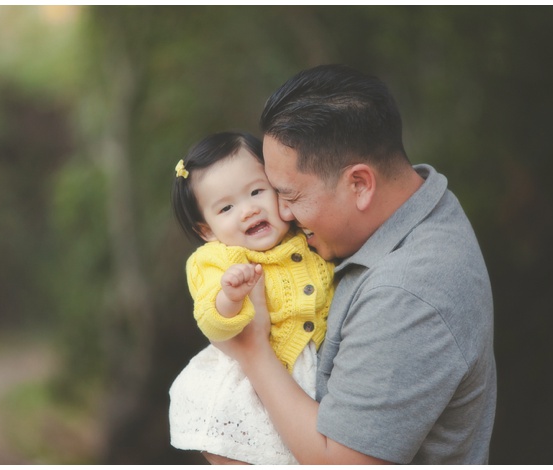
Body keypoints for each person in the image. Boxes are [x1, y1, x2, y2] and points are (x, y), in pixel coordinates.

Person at [211, 64, 497, 464]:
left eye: (290, 195)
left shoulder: (407, 295)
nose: (282, 213)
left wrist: (252, 349)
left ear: (359, 184)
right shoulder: (421, 206)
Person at [167, 131, 335, 465]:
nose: (248, 211)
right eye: (227, 207)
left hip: (311, 367)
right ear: (207, 230)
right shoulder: (217, 260)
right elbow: (210, 320)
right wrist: (229, 296)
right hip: (247, 380)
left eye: (257, 192)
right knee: (236, 442)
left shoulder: (304, 232)